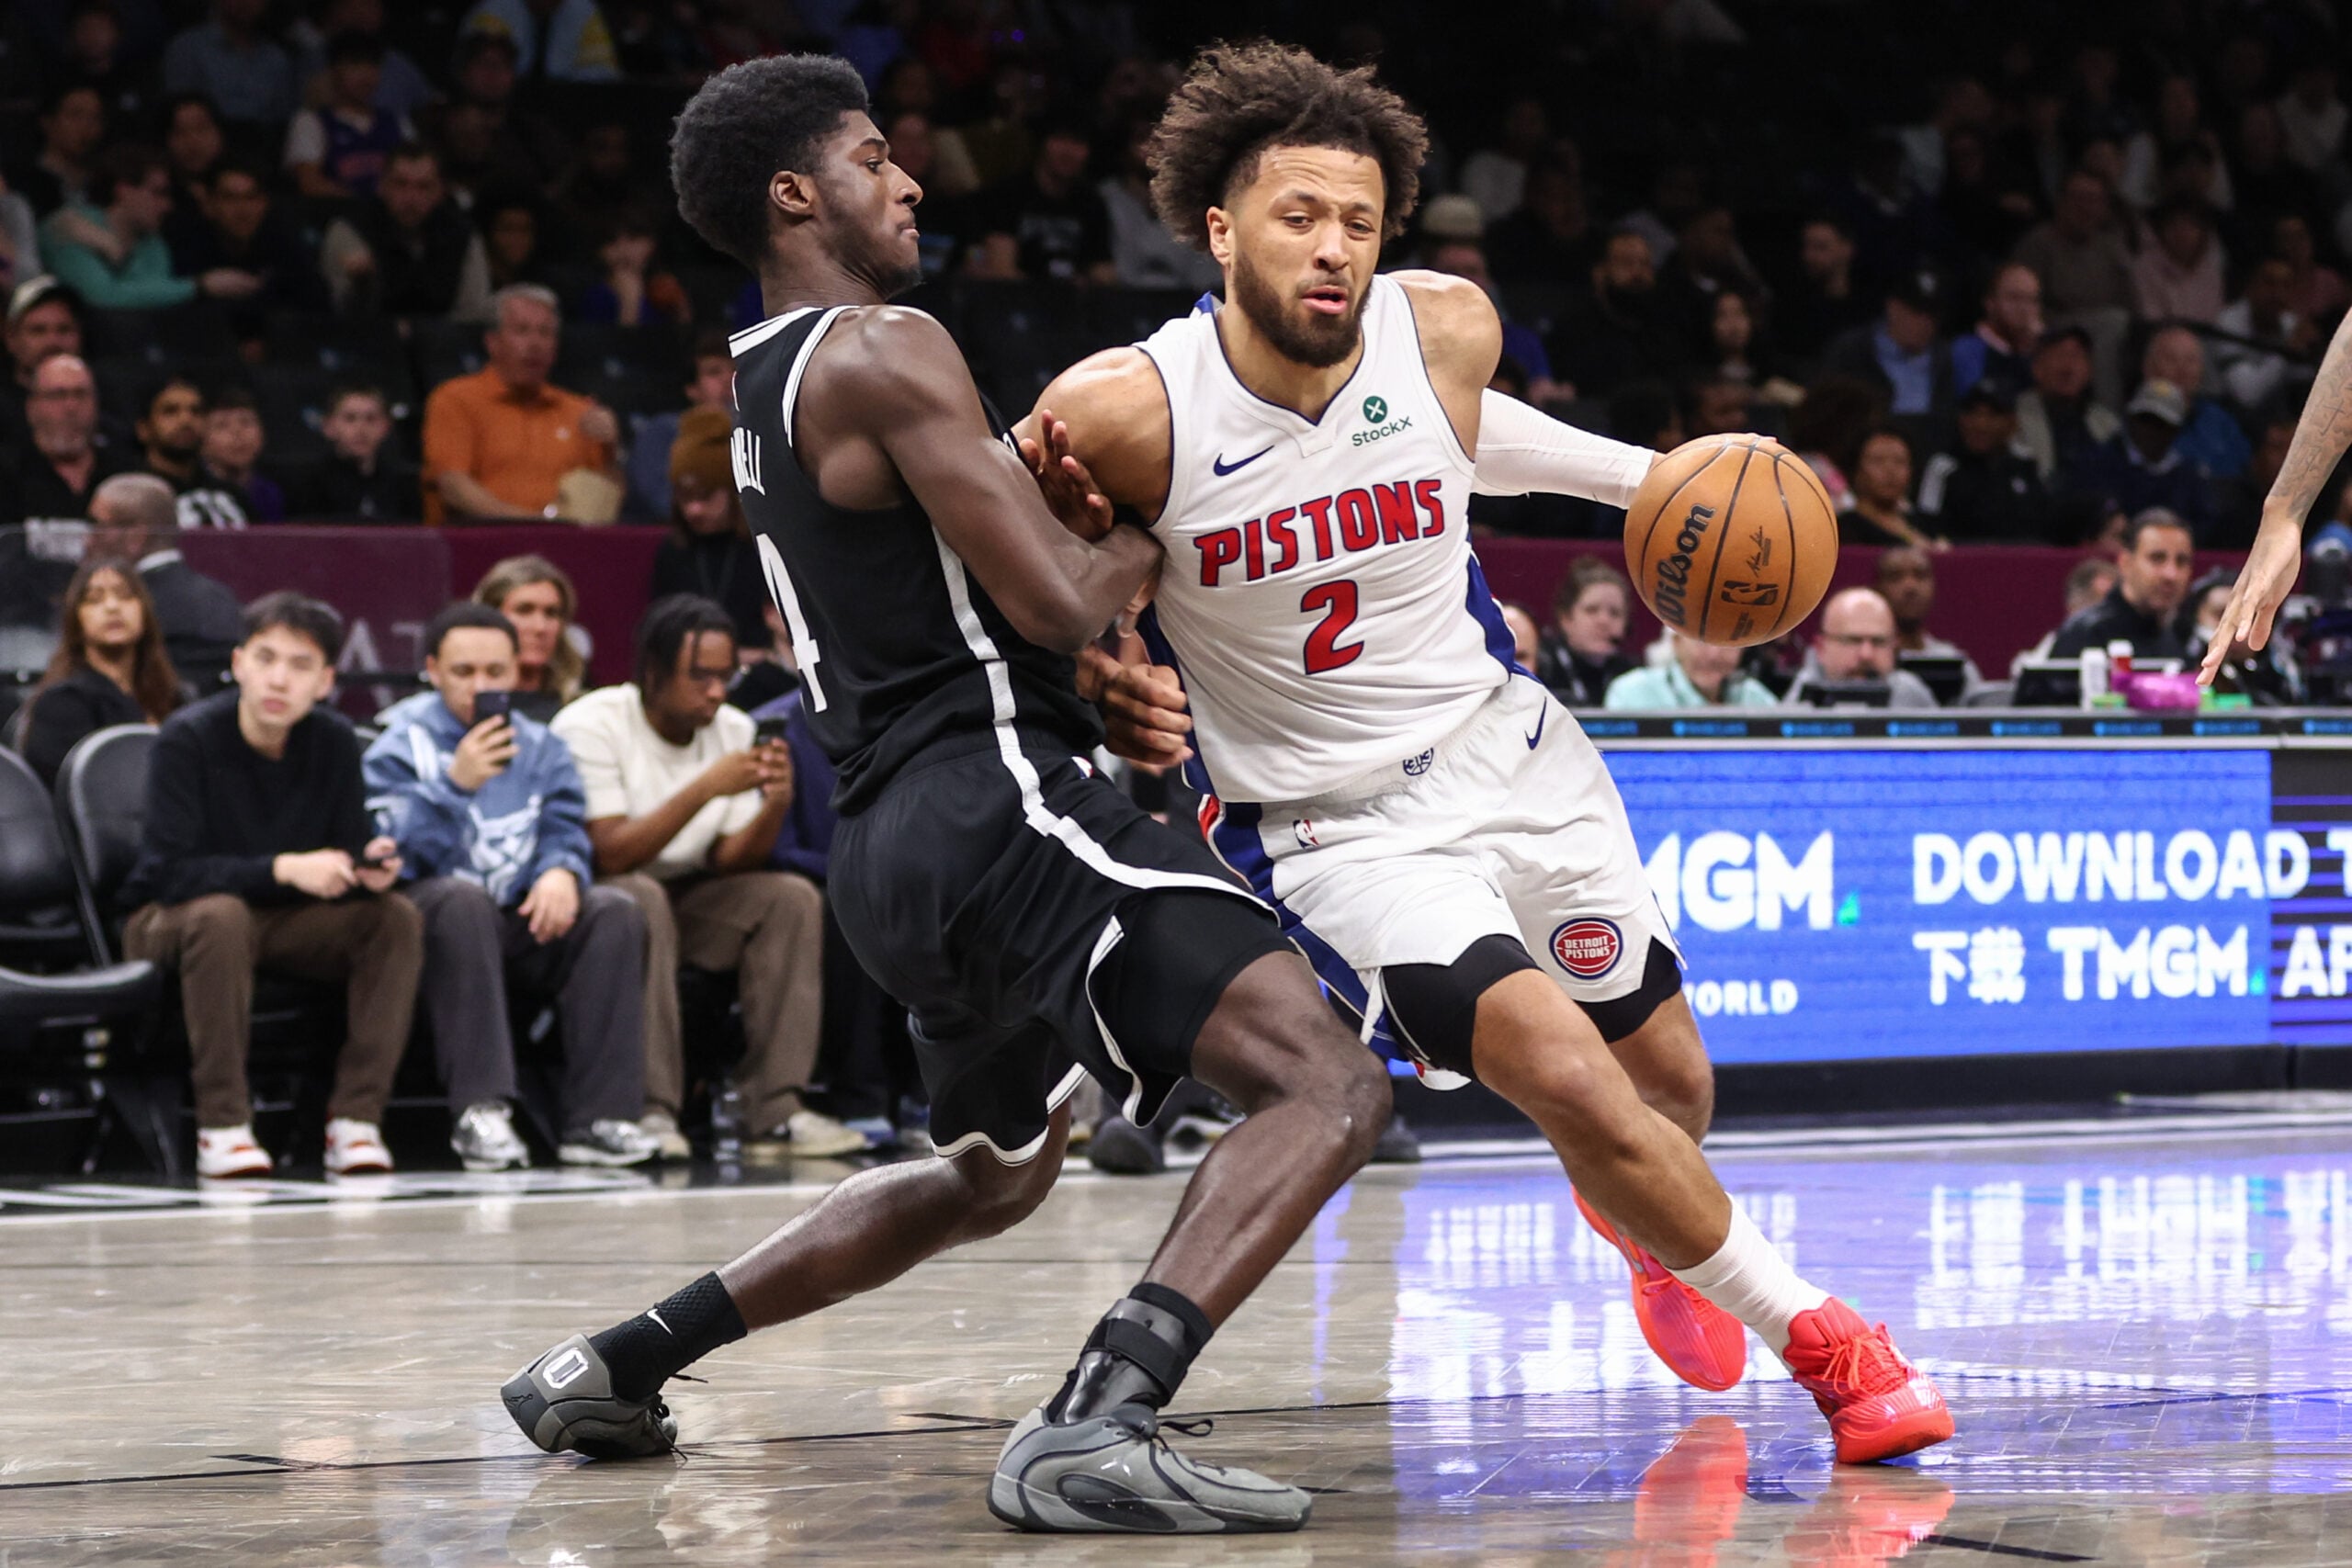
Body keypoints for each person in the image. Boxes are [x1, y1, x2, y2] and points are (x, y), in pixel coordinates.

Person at [501, 54, 1404, 1536]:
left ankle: (617, 1362)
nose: (909, 179)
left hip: (896, 851)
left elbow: (974, 596)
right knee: (1327, 1081)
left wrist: (1073, 588)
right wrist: (1180, 511)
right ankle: (1095, 1422)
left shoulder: (761, 381)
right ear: (798, 193)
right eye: (873, 157)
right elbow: (1054, 602)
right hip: (1003, 806)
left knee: (992, 1171)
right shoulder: (883, 342)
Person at [1027, 37, 1946, 1474]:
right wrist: (1099, 677)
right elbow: (1020, 592)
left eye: (1359, 221)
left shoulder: (1444, 324)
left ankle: (1658, 1236)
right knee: (1569, 1075)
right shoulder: (1122, 411)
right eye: (1297, 216)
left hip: (1510, 752)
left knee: (1674, 1091)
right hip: (1338, 830)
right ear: (1218, 225)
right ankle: (1832, 1346)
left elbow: (1462, 436)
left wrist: (1653, 483)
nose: (1333, 249)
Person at [119, 592, 422, 1179]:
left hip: (279, 921)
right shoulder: (188, 738)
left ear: (326, 681)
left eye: (300, 665)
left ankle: (357, 1119)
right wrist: (283, 868)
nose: (278, 678)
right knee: (221, 915)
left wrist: (368, 867)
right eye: (266, 658)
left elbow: (346, 845)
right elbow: (168, 872)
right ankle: (223, 1125)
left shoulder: (333, 741)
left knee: (395, 918)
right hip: (170, 920)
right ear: (237, 664)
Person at [548, 596, 855, 1166]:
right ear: (653, 673)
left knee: (787, 898)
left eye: (726, 675)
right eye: (701, 677)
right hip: (598, 905)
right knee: (642, 898)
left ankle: (775, 1109)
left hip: (691, 895)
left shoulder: (735, 727)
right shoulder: (591, 724)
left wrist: (772, 808)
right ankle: (652, 1109)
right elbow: (611, 853)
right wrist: (706, 787)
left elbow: (728, 862)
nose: (718, 692)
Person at [364, 603, 659, 1171]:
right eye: (464, 672)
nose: (481, 686)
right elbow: (388, 854)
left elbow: (565, 826)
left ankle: (598, 1120)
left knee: (613, 909)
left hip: (519, 917)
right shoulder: (399, 743)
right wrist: (454, 784)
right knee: (461, 901)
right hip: (432, 924)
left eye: (495, 673)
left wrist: (561, 870)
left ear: (516, 673)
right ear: (433, 668)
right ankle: (482, 1110)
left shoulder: (541, 746)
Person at [422, 284, 620, 525]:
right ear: (492, 341)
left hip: (561, 548)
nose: (535, 343)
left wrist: (611, 452)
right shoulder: (455, 399)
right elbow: (453, 485)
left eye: (545, 333)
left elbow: (605, 501)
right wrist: (532, 524)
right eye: (522, 331)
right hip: (480, 543)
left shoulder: (579, 411)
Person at [37, 143, 261, 313]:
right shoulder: (68, 227)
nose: (167, 205)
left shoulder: (153, 242)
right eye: (158, 193)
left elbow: (152, 301)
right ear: (124, 191)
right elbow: (101, 296)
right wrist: (199, 286)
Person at [18, 555, 182, 786]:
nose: (112, 607)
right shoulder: (61, 704)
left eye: (125, 596)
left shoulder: (176, 696)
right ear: (76, 619)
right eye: (95, 600)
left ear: (144, 610)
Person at [85, 471, 245, 695]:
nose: (88, 540)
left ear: (135, 536)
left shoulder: (125, 611)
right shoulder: (222, 597)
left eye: (97, 525)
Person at [318, 144, 494, 321]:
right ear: (382, 185)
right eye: (400, 184)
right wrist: (362, 284)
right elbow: (337, 314)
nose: (411, 198)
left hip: (442, 343)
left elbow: (472, 316)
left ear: (440, 191)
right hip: (366, 341)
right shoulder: (350, 229)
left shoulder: (463, 234)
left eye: (424, 187)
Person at [650, 406, 769, 652]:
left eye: (706, 496)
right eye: (684, 497)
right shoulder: (673, 552)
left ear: (733, 492)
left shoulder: (762, 549)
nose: (694, 509)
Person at [965, 121, 1118, 284]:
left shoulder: (1091, 202)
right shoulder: (1008, 193)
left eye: (1078, 143)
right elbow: (1001, 271)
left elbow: (1104, 270)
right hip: (1014, 300)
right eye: (1061, 139)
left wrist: (1092, 282)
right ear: (1042, 143)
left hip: (1072, 304)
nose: (1069, 151)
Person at [2048, 509, 2196, 662]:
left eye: (2182, 561)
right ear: (2125, 563)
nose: (2171, 574)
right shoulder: (2087, 635)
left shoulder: (2183, 640)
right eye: (2157, 558)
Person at [0, 355, 131, 525]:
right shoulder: (6, 474)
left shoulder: (126, 473)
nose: (71, 407)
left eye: (81, 394)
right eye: (58, 395)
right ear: (31, 407)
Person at [2075, 380, 2216, 538]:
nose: (2151, 430)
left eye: (2162, 423)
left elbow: (2204, 527)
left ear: (2177, 429)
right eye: (2145, 419)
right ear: (2130, 419)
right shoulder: (2098, 464)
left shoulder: (2191, 474)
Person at [283, 31, 413, 199]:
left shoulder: (397, 121)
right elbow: (310, 184)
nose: (366, 75)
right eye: (355, 64)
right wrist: (365, 204)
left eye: (373, 65)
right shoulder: (310, 121)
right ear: (334, 70)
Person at [1915, 382, 2047, 542]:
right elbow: (1925, 529)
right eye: (1972, 413)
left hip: (2021, 561)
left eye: (1993, 415)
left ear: (2012, 423)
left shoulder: (2025, 463)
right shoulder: (1942, 466)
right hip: (1960, 562)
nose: (1980, 424)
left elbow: (2042, 525)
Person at [624, 331, 733, 520]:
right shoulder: (664, 431)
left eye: (735, 370)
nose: (729, 380)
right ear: (692, 389)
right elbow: (660, 500)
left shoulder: (762, 431)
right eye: (714, 372)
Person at [1781, 588, 1938, 708]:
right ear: (1821, 648)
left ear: (1894, 647)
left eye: (1878, 642)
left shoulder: (1911, 696)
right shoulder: (1800, 701)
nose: (1866, 654)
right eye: (1853, 640)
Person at [471, 555, 582, 721]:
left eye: (551, 613)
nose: (540, 627)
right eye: (524, 610)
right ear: (489, 617)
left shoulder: (580, 710)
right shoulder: (463, 708)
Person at [161, 0, 296, 135]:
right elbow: (178, 114)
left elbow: (282, 119)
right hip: (204, 145)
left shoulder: (275, 58)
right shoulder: (188, 48)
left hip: (264, 145)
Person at [289, 384, 417, 522]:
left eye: (371, 419)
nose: (361, 429)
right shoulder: (310, 485)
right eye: (350, 418)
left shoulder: (402, 484)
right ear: (328, 426)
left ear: (386, 427)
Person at [137, 375, 251, 529]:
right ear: (143, 429)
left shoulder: (233, 495)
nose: (186, 420)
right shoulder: (131, 497)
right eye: (170, 411)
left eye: (196, 411)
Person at [2141, 325, 2250, 480]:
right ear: (2148, 368)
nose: (2182, 369)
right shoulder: (2136, 423)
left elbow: (2244, 469)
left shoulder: (2219, 420)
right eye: (2171, 359)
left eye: (2190, 360)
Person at [1872, 547, 1984, 694]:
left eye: (1920, 576)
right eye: (1896, 577)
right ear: (1878, 588)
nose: (1910, 587)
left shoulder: (1954, 663)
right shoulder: (1865, 661)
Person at [1534, 557, 1636, 706]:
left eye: (1615, 613)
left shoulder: (1632, 676)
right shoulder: (1543, 667)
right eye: (1591, 610)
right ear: (1565, 618)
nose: (1604, 621)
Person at [1603, 630, 1777, 708]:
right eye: (1702, 641)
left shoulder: (1757, 699)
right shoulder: (1632, 693)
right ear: (1676, 643)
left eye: (1727, 643)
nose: (1714, 655)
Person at [1948, 263, 2041, 400]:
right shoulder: (1963, 350)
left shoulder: (2041, 353)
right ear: (1990, 303)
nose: (2024, 309)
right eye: (2014, 298)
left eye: (2031, 300)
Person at [1840, 428, 1939, 548]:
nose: (1890, 471)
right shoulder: (1843, 529)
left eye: (1899, 461)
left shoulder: (1927, 524)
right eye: (1877, 461)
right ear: (1856, 471)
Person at [198, 385, 283, 522]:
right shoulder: (191, 497)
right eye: (222, 425)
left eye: (246, 422)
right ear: (201, 440)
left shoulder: (275, 492)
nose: (237, 433)